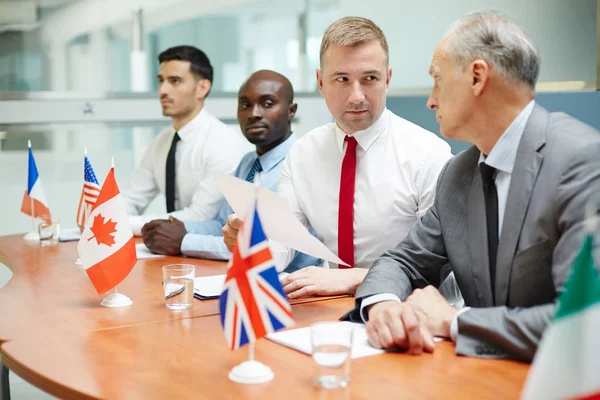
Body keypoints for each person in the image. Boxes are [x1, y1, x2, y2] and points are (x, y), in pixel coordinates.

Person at [343, 10, 600, 361]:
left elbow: (583, 323)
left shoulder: (582, 160)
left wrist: (454, 322)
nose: (431, 100)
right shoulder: (457, 174)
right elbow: (401, 261)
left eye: (438, 80)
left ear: (477, 77)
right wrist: (384, 306)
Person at [222, 17, 453, 299]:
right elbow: (282, 245)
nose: (356, 97)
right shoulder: (302, 154)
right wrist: (251, 244)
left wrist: (356, 278)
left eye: (369, 78)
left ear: (388, 79)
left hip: (405, 308)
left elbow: (441, 270)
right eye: (341, 79)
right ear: (320, 82)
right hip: (326, 308)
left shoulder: (429, 154)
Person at [142, 70, 320, 273]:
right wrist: (177, 227)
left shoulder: (301, 164)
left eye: (267, 104)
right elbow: (223, 224)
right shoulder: (248, 162)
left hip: (294, 289)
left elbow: (263, 246)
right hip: (243, 279)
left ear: (291, 111)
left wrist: (184, 240)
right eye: (245, 105)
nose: (254, 113)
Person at [123, 45, 248, 235]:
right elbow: (133, 198)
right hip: (171, 250)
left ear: (202, 88)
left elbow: (200, 217)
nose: (163, 90)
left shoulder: (224, 142)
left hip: (210, 251)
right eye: (161, 81)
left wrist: (121, 224)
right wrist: (105, 216)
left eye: (174, 81)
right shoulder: (162, 142)